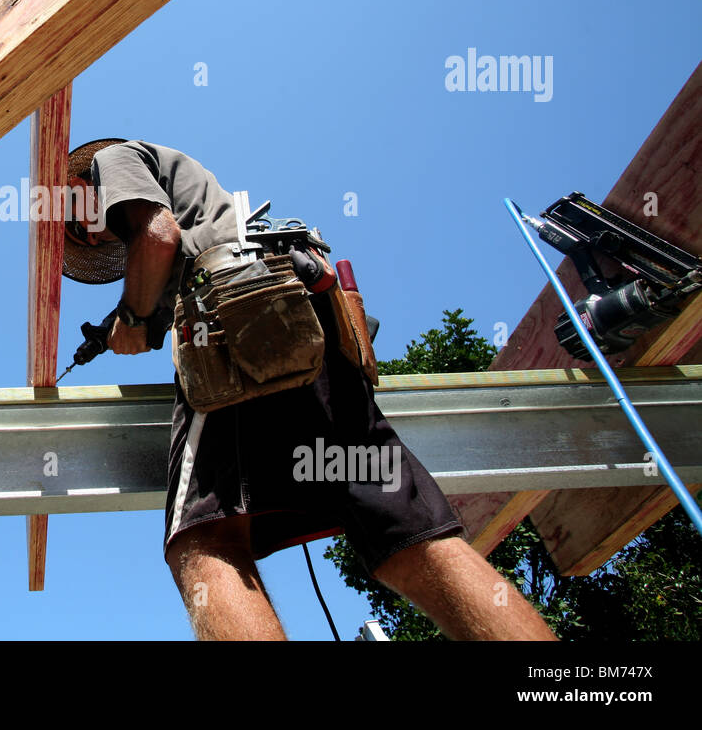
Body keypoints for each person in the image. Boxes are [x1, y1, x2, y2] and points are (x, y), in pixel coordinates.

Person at [61, 138, 555, 641]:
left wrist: (132, 315)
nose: (88, 232)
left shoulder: (113, 159)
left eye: (77, 217)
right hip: (301, 316)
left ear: (77, 185)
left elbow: (157, 236)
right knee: (407, 539)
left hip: (236, 318)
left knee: (206, 541)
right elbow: (165, 276)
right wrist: (128, 325)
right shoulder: (205, 210)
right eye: (83, 240)